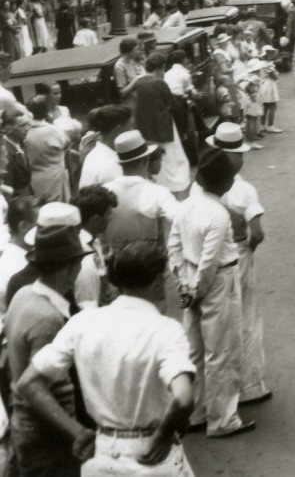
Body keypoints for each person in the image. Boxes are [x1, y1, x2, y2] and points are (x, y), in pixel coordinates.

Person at [16, 240, 199, 475]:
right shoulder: (166, 329)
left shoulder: (82, 322)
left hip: (104, 453)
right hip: (152, 453)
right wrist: (164, 433)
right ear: (156, 282)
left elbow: (28, 383)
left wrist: (78, 432)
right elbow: (183, 398)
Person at [167, 149, 254, 438]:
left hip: (190, 277)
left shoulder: (185, 206)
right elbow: (211, 260)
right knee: (222, 351)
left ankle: (195, 413)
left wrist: (183, 284)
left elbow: (174, 248)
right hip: (218, 282)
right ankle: (223, 419)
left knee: (194, 349)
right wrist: (197, 289)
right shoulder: (219, 214)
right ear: (225, 184)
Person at [6, 222, 89, 476]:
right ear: (71, 268)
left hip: (24, 428)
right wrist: (79, 433)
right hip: (48, 440)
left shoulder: (23, 294)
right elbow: (41, 390)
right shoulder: (48, 318)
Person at [208, 124, 272, 406]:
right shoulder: (243, 188)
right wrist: (247, 246)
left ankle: (215, 393)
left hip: (208, 263)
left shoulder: (203, 186)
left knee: (214, 323)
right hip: (238, 256)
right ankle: (250, 386)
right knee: (247, 317)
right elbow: (257, 233)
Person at [103, 130, 179, 256]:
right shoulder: (157, 192)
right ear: (146, 161)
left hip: (114, 263)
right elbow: (179, 217)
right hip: (147, 264)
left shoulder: (105, 189)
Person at [134, 53, 191, 195]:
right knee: (172, 157)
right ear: (159, 68)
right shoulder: (159, 82)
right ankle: (175, 186)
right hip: (163, 125)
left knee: (157, 156)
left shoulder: (140, 82)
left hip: (146, 127)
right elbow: (172, 103)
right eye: (163, 69)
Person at [23, 95, 70, 202]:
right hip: (54, 175)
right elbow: (67, 143)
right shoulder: (53, 130)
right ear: (46, 110)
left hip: (35, 176)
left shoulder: (24, 131)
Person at [78, 105, 132, 189]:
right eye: (130, 127)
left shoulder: (97, 153)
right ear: (118, 129)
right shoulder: (110, 166)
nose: (133, 132)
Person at [2, 110, 33, 197]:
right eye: (22, 126)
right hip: (16, 204)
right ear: (8, 129)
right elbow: (7, 190)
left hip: (27, 196)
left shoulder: (20, 141)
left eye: (27, 124)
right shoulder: (5, 154)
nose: (27, 128)